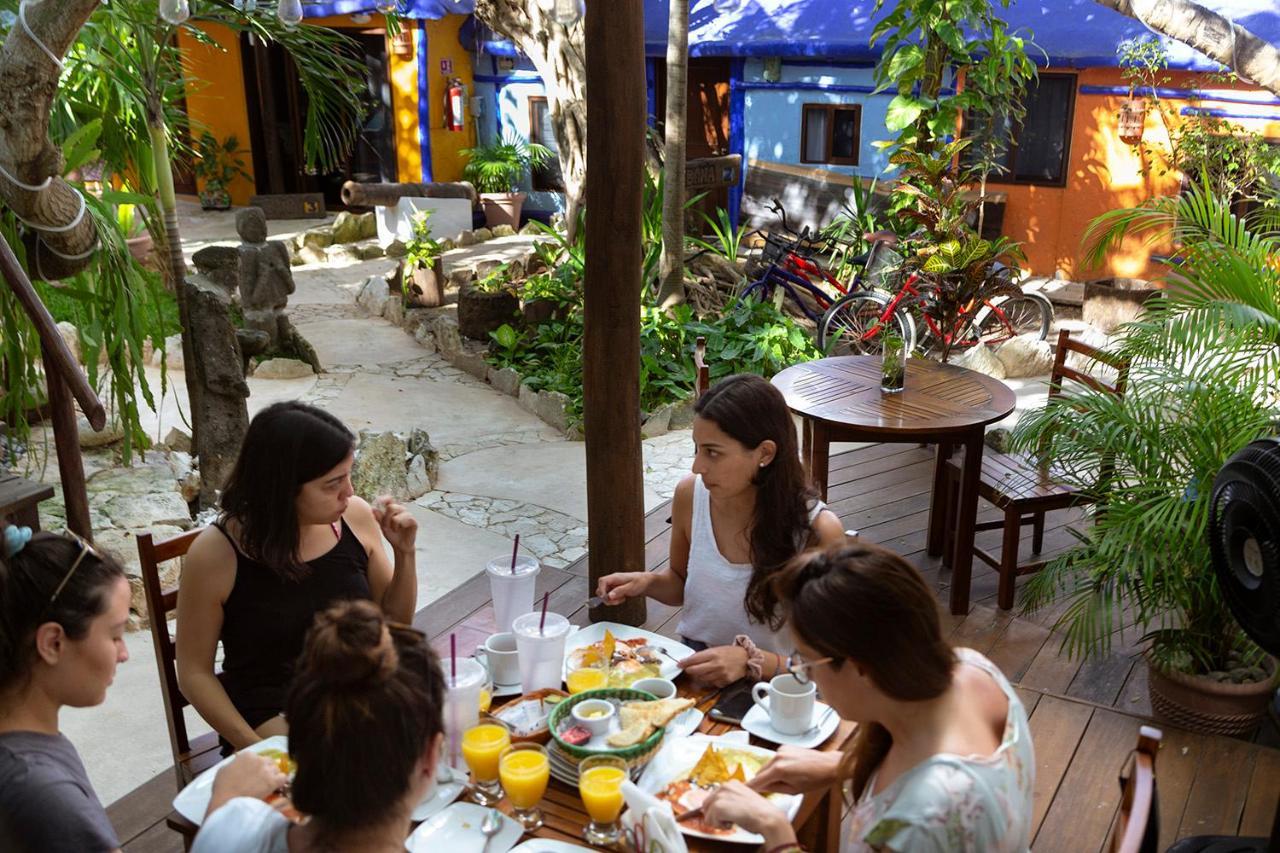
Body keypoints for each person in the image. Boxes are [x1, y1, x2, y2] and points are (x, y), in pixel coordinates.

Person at [700, 543, 1035, 852]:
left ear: (860, 668)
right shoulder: (971, 668)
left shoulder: (922, 817)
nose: (806, 676)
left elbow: (935, 804)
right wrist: (842, 765)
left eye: (807, 663)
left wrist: (774, 829)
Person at [0, 527, 282, 853]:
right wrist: (227, 804)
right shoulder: (42, 793)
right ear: (53, 643)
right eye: (115, 635)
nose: (125, 654)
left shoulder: (29, 751)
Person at [177, 402, 421, 754]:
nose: (349, 492)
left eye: (349, 475)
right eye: (332, 484)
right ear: (282, 488)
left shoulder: (353, 517)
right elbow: (194, 673)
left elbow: (394, 624)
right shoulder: (215, 554)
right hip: (275, 712)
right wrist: (255, 749)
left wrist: (405, 553)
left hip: (355, 688)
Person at [596, 374, 845, 686]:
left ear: (765, 454)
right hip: (691, 670)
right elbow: (681, 584)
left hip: (776, 692)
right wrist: (645, 582)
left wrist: (750, 660)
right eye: (696, 449)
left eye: (713, 452)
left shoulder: (818, 532)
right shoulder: (690, 494)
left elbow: (827, 666)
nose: (697, 466)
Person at [193, 599, 446, 851]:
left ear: (295, 736)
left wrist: (225, 801)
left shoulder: (226, 832)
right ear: (431, 758)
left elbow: (219, 835)